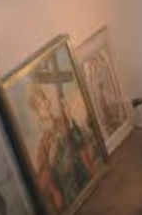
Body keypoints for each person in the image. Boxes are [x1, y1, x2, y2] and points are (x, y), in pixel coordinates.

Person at [26, 82, 97, 212]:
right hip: (69, 191)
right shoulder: (43, 145)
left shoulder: (62, 121)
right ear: (37, 113)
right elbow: (46, 180)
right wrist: (52, 160)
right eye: (39, 104)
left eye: (44, 99)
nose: (44, 104)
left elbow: (81, 143)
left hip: (84, 176)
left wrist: (70, 121)